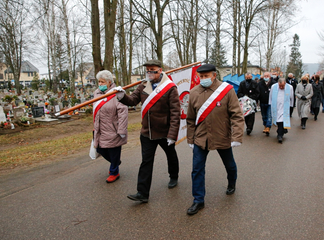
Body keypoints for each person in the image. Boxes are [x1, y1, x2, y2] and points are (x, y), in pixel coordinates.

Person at [114, 59, 181, 203]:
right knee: (146, 162)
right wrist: (121, 96)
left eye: (152, 70)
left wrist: (172, 135)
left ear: (160, 70)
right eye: (148, 70)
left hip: (164, 132)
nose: (149, 72)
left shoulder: (170, 88)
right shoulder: (143, 86)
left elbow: (175, 113)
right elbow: (132, 100)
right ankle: (142, 193)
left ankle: (174, 175)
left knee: (171, 155)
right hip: (147, 132)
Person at [186, 64, 244, 215]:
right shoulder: (193, 93)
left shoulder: (227, 91)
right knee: (197, 169)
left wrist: (237, 136)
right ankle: (198, 200)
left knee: (229, 165)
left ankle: (232, 182)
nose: (203, 79)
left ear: (214, 75)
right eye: (201, 76)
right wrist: (191, 139)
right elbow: (190, 119)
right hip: (201, 138)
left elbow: (237, 115)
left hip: (221, 135)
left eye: (206, 76)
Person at [93, 70, 128, 183]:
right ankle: (115, 162)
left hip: (113, 128)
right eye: (99, 81)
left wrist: (121, 129)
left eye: (102, 82)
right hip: (100, 128)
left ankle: (114, 171)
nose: (100, 84)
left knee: (114, 151)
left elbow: (123, 112)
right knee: (100, 149)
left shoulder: (117, 93)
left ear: (109, 82)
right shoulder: (96, 93)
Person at [269, 78, 294, 143]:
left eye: (282, 86)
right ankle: (281, 130)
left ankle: (280, 135)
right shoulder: (273, 86)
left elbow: (291, 97)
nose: (281, 87)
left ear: (285, 84)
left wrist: (291, 106)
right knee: (277, 120)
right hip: (276, 106)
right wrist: (270, 104)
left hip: (284, 106)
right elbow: (271, 96)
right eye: (280, 86)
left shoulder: (290, 87)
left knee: (282, 121)